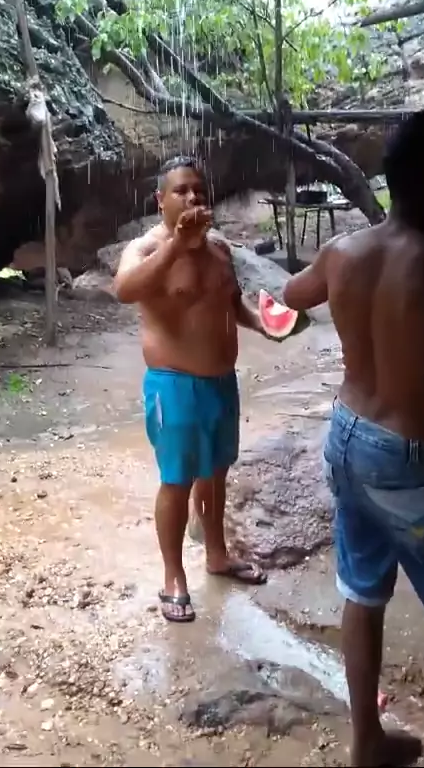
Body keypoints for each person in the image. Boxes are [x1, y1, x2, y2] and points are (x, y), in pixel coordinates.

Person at [282, 109, 424, 767]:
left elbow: (291, 294)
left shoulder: (344, 252)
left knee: (362, 590)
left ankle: (366, 739)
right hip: (409, 461)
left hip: (346, 437)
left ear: (390, 178)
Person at [114, 156, 268, 624]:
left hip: (222, 382)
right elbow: (124, 289)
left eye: (199, 189)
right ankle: (173, 576)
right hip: (174, 385)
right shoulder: (145, 248)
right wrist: (176, 247)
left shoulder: (219, 248)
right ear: (160, 200)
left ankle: (217, 554)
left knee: (216, 474)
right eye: (181, 190)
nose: (193, 197)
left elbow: (234, 303)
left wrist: (265, 323)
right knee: (177, 482)